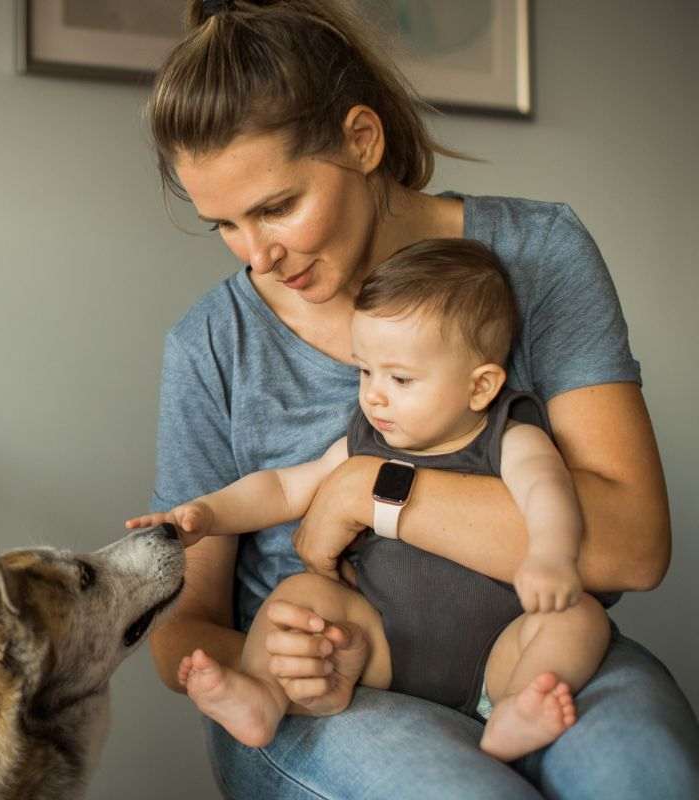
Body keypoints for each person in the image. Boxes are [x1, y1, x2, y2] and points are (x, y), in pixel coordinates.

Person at [141, 1, 699, 797]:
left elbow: (633, 547)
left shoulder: (537, 256)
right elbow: (181, 632)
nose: (258, 257)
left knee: (645, 779)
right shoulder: (211, 343)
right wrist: (282, 660)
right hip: (341, 680)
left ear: (362, 140)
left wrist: (373, 490)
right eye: (223, 225)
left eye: (277, 207)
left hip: (527, 649)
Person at [128, 238, 611, 762]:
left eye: (400, 378)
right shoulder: (365, 440)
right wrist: (209, 514)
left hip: (499, 650)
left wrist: (551, 556)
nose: (374, 395)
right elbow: (284, 487)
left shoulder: (510, 437)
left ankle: (516, 708)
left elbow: (547, 492)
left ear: (480, 387)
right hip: (382, 644)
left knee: (580, 618)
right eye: (365, 371)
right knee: (300, 594)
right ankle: (265, 695)